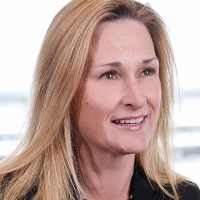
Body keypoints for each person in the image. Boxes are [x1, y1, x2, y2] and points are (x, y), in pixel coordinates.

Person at [0, 0, 200, 199]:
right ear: (63, 90)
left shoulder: (185, 195)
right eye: (110, 75)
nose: (137, 99)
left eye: (146, 71)